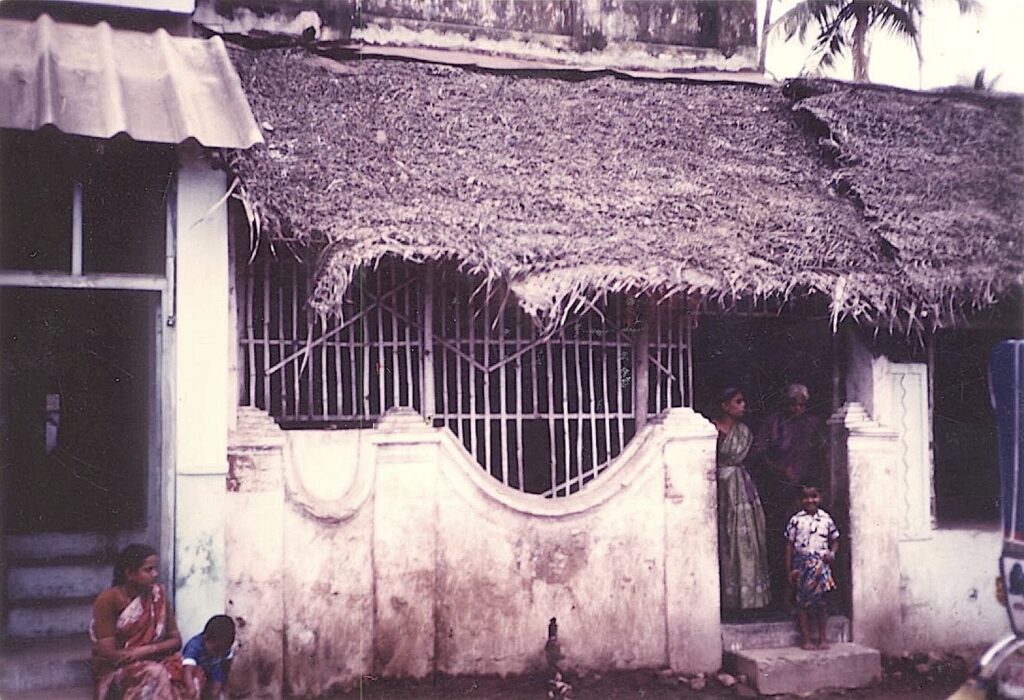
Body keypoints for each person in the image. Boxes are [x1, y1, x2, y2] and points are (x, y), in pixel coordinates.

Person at [753, 383, 827, 606]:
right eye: (792, 405)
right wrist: (778, 469)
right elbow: (759, 453)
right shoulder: (774, 423)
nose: (797, 409)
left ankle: (802, 593)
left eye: (801, 405)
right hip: (777, 491)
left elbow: (820, 454)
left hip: (802, 493)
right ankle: (780, 593)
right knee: (780, 542)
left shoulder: (812, 425)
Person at [90, 543, 192, 700]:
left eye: (155, 568)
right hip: (118, 668)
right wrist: (139, 656)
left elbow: (176, 640)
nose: (155, 574)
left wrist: (145, 651)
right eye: (148, 569)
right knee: (156, 673)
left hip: (154, 658)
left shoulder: (158, 595)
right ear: (130, 573)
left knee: (190, 673)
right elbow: (108, 653)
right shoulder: (108, 600)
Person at [713, 387, 771, 614]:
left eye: (743, 401)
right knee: (726, 539)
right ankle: (729, 598)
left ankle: (751, 599)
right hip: (721, 486)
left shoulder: (744, 431)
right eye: (738, 402)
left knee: (746, 539)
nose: (743, 405)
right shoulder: (712, 429)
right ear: (724, 405)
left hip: (741, 488)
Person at [785, 486, 840, 650]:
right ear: (800, 500)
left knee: (822, 603)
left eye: (814, 496)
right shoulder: (796, 520)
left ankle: (823, 638)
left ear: (820, 497)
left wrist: (832, 553)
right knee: (802, 603)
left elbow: (835, 539)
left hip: (821, 565)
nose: (810, 501)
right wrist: (789, 570)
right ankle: (806, 639)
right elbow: (788, 545)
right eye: (806, 497)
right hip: (802, 565)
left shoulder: (826, 519)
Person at [183, 615, 236, 699]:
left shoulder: (224, 647)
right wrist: (191, 688)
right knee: (195, 689)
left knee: (215, 692)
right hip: (197, 671)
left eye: (222, 651)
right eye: (216, 649)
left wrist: (224, 683)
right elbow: (187, 671)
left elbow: (227, 665)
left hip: (214, 669)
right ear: (205, 638)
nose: (219, 654)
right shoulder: (194, 646)